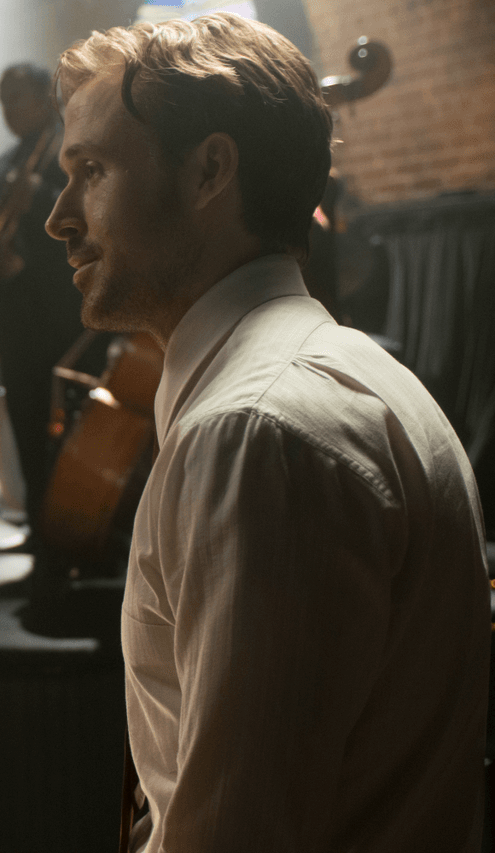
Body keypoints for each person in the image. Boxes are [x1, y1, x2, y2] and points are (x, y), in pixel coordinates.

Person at [44, 13, 490, 851]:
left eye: (92, 170)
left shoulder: (252, 433)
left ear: (210, 171)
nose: (59, 217)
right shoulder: (339, 373)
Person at [0, 63, 84, 554]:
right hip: (15, 318)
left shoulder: (71, 154)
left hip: (61, 317)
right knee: (26, 428)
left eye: (17, 97)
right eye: (2, 99)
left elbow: (89, 227)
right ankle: (38, 530)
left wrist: (40, 198)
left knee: (66, 435)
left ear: (46, 98)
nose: (8, 109)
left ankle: (69, 538)